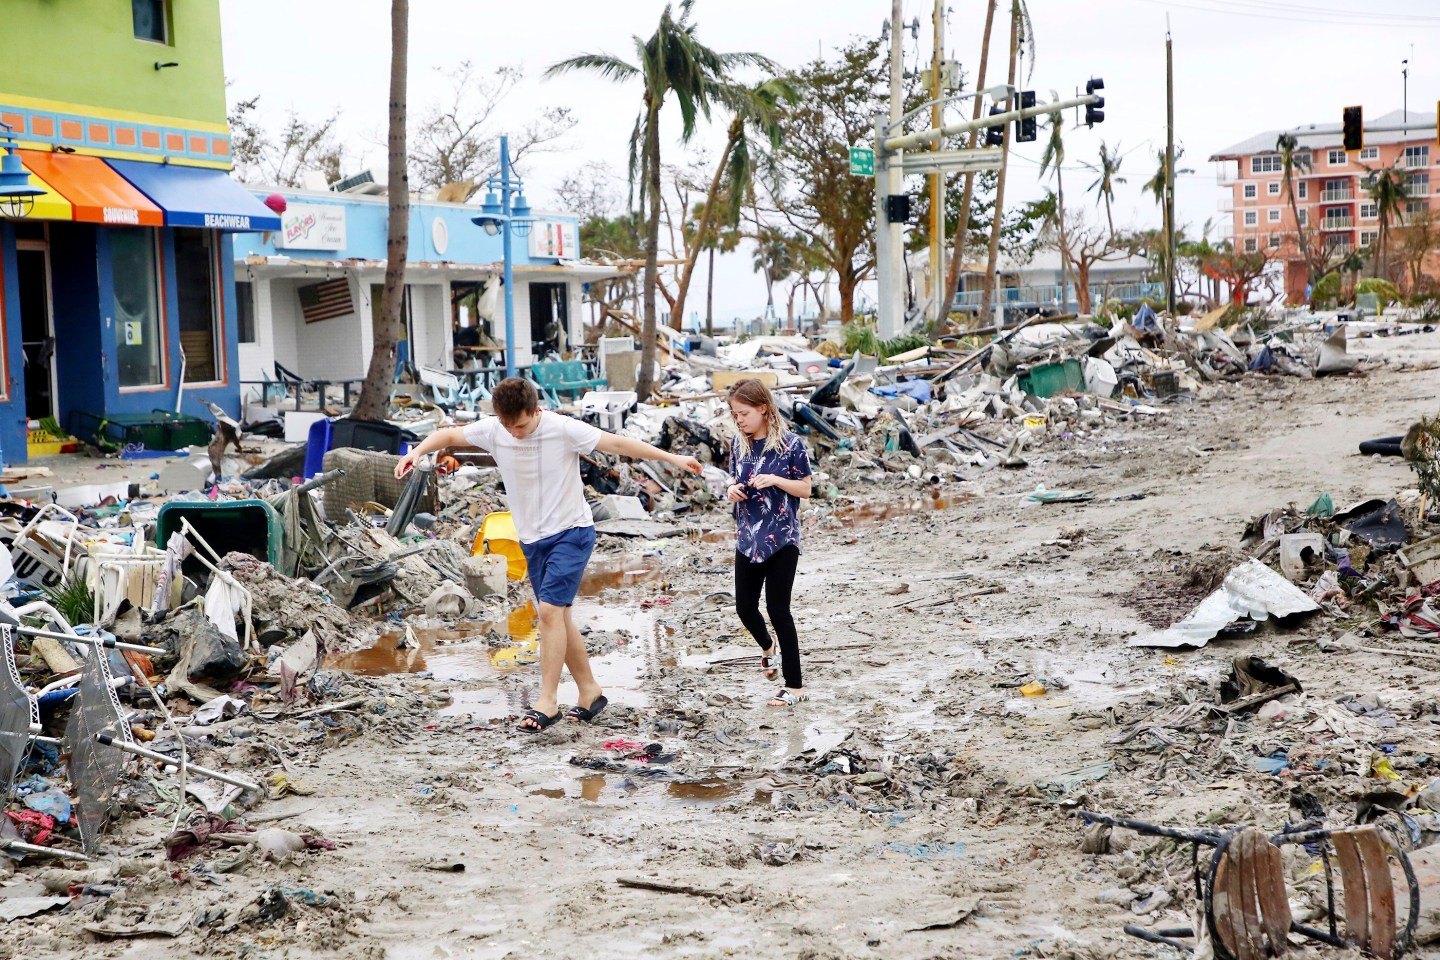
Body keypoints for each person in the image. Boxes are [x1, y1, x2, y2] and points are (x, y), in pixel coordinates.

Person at [395, 377, 702, 732]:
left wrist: (672, 458)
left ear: (536, 411)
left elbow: (617, 442)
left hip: (571, 533)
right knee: (560, 618)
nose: (515, 433)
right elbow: (448, 435)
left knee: (549, 612)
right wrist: (416, 453)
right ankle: (590, 692)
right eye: (508, 426)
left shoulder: (563, 428)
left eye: (522, 425)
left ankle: (548, 701)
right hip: (531, 539)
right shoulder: (496, 430)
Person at [724, 378, 813, 706]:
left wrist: (776, 479)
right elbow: (732, 479)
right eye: (735, 414)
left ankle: (795, 687)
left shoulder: (791, 445)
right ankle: (766, 647)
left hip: (782, 537)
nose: (739, 420)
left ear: (764, 409)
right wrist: (731, 489)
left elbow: (805, 489)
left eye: (744, 413)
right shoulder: (739, 444)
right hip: (748, 538)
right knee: (744, 607)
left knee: (778, 609)